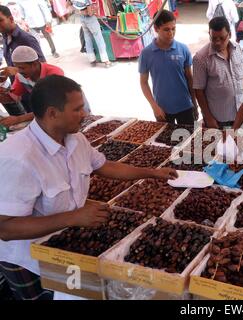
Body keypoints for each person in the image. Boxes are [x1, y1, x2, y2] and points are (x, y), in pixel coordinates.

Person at [0, 75, 178, 300]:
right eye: (77, 109)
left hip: (64, 246)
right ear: (53, 113)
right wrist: (73, 217)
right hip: (27, 260)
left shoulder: (76, 140)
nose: (84, 114)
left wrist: (152, 173)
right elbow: (6, 229)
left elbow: (105, 166)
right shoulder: (18, 158)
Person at [139, 10, 198, 125]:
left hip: (185, 106)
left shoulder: (183, 49)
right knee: (165, 142)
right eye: (166, 29)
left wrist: (194, 104)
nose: (171, 33)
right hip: (162, 109)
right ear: (156, 29)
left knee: (187, 140)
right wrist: (154, 107)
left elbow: (190, 78)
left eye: (173, 28)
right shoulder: (146, 54)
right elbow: (144, 83)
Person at [0, 46, 81, 128]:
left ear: (35, 64)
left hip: (71, 113)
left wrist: (18, 119)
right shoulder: (21, 75)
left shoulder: (54, 74)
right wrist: (1, 82)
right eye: (16, 67)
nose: (19, 71)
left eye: (22, 68)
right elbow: (12, 98)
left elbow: (51, 109)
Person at [193, 17, 243, 129]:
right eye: (214, 38)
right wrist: (208, 118)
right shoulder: (201, 58)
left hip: (240, 116)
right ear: (209, 34)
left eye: (222, 38)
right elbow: (199, 91)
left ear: (230, 34)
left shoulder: (238, 49)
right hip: (218, 121)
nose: (217, 42)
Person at [0, 5, 45, 117]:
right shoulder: (5, 36)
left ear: (11, 19)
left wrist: (15, 70)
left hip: (34, 92)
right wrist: (7, 74)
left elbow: (42, 65)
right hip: (21, 91)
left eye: (0, 20)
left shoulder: (26, 39)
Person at [71, 0, 111, 67]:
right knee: (99, 39)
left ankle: (92, 60)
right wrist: (94, 11)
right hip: (90, 19)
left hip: (82, 19)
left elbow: (72, 7)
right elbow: (89, 13)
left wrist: (81, 11)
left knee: (87, 39)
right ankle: (106, 61)